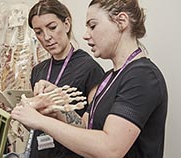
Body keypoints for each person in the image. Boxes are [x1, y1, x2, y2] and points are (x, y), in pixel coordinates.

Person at [11, 0, 168, 157]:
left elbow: (110, 149)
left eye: (92, 26)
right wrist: (57, 105)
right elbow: (85, 126)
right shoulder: (110, 77)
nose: (86, 35)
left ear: (121, 22)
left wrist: (40, 121)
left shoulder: (143, 76)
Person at [26, 0, 104, 158]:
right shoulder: (38, 71)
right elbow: (36, 125)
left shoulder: (89, 68)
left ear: (66, 24)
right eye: (38, 32)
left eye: (52, 27)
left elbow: (93, 130)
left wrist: (60, 104)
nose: (46, 37)